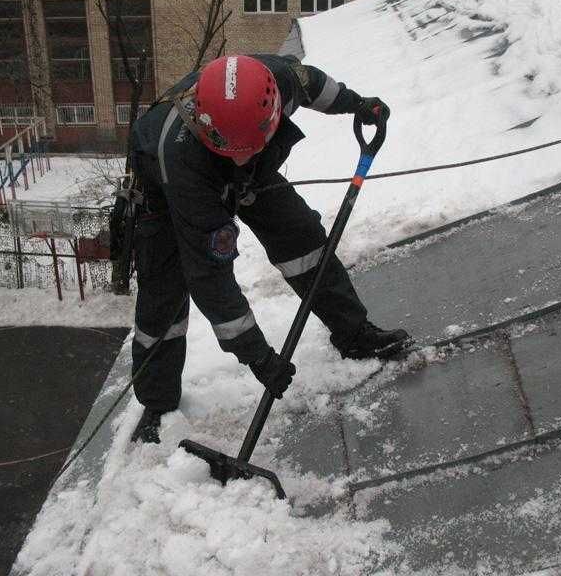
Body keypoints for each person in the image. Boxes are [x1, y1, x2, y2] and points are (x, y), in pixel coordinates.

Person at [128, 54, 410, 443]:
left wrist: (357, 104)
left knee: (303, 240)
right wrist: (257, 356)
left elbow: (317, 86)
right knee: (164, 302)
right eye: (234, 150)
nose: (241, 156)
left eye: (249, 146)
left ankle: (354, 334)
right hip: (164, 194)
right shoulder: (182, 161)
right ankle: (157, 405)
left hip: (247, 174)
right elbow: (210, 275)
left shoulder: (278, 80)